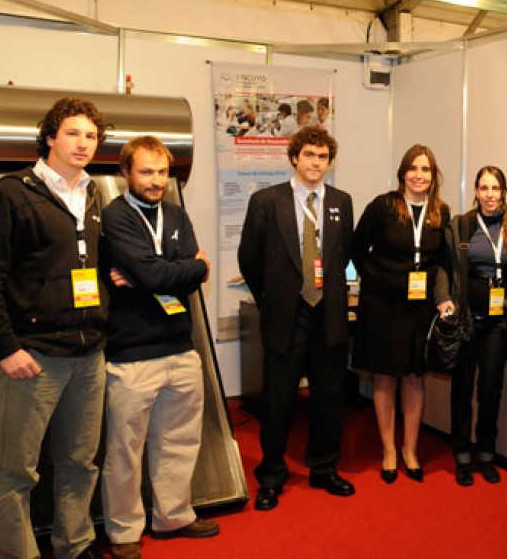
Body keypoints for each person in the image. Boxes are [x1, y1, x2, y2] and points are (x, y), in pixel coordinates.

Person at [0, 97, 108, 559]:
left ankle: (75, 544)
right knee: (15, 473)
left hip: (88, 354)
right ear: (50, 137)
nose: (83, 143)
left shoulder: (92, 194)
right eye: (73, 133)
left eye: (91, 135)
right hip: (34, 358)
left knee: (79, 463)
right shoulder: (11, 193)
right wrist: (6, 348)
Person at [99, 136, 218, 558]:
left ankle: (173, 516)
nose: (156, 181)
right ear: (126, 173)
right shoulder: (115, 217)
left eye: (162, 172)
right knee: (125, 449)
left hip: (181, 349)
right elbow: (161, 275)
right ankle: (124, 530)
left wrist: (184, 270)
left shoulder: (177, 214)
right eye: (146, 172)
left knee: (179, 441)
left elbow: (184, 271)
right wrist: (185, 269)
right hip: (131, 355)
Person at [238, 126, 355, 511]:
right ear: (294, 157)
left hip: (330, 316)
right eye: (309, 155)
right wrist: (270, 301)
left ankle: (324, 468)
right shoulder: (267, 201)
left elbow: (342, 258)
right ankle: (271, 476)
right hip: (286, 316)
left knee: (329, 398)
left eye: (322, 157)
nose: (315, 163)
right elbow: (249, 258)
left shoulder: (341, 201)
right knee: (278, 401)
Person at [351, 144, 452, 484]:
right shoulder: (384, 206)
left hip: (419, 307)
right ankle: (388, 450)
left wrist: (442, 298)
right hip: (381, 307)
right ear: (403, 173)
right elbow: (356, 248)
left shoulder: (441, 211)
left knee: (413, 376)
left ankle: (409, 449)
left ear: (433, 175)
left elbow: (442, 263)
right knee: (384, 375)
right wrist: (377, 279)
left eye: (425, 169)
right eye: (413, 168)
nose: (419, 175)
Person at [448, 166, 507, 486]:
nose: (490, 194)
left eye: (495, 188)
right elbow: (446, 267)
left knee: (490, 390)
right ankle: (462, 455)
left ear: (504, 191)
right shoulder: (461, 225)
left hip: (497, 324)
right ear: (476, 191)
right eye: (484, 188)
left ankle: (487, 453)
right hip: (466, 321)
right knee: (462, 389)